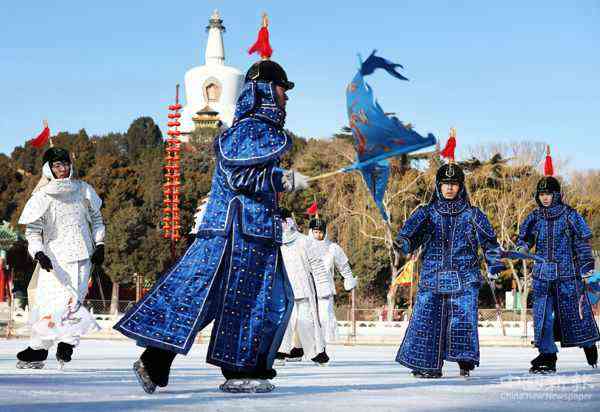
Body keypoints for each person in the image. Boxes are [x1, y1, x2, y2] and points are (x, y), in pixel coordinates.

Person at [114, 57, 309, 394]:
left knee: (242, 297)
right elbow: (239, 176)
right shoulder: (249, 129)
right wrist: (283, 179)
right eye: (282, 88)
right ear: (265, 90)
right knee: (242, 298)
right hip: (237, 233)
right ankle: (238, 368)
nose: (286, 96)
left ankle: (159, 361)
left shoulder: (257, 130)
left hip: (252, 231)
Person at [394, 162, 505, 378]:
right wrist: (403, 243)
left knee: (462, 321)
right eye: (445, 183)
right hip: (432, 276)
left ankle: (465, 359)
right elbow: (410, 236)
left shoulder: (473, 214)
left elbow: (490, 243)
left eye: (454, 183)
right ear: (438, 185)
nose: (449, 188)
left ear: (461, 186)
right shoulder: (427, 213)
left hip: (465, 278)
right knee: (427, 321)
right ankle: (427, 365)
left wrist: (494, 264)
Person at [16, 147, 105, 369]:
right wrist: (38, 252)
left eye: (65, 164)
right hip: (54, 260)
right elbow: (33, 232)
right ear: (49, 169)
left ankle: (66, 343)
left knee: (74, 300)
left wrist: (100, 244)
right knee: (48, 303)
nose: (63, 168)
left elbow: (97, 220)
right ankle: (38, 349)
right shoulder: (42, 196)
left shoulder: (83, 189)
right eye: (57, 165)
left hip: (82, 255)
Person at [517, 171, 599, 374]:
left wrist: (586, 267)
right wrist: (522, 248)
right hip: (542, 276)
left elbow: (582, 243)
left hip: (568, 276)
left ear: (557, 194)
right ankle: (547, 355)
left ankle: (589, 344)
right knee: (542, 316)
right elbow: (525, 239)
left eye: (548, 193)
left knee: (577, 315)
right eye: (541, 194)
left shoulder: (570, 215)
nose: (545, 197)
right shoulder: (534, 217)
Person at [302, 217, 357, 363]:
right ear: (311, 231)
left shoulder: (333, 248)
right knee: (306, 321)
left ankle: (322, 350)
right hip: (307, 288)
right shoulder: (304, 245)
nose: (318, 234)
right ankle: (303, 349)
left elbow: (343, 266)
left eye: (321, 232)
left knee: (324, 320)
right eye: (315, 231)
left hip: (325, 289)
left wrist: (348, 278)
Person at [276, 210, 326, 365]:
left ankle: (316, 352)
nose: (282, 226)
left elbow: (317, 265)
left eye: (284, 222)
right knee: (284, 323)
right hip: (283, 291)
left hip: (303, 290)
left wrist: (323, 287)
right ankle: (279, 352)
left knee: (307, 322)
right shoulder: (275, 243)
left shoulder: (304, 241)